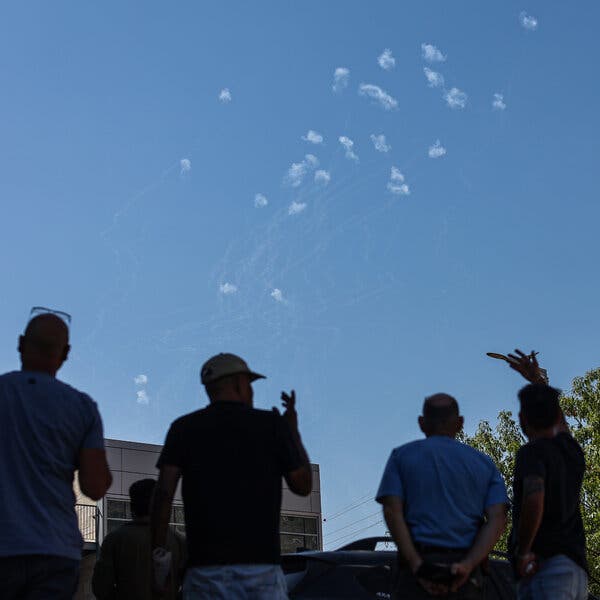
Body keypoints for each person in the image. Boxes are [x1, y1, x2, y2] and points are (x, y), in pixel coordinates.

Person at [150, 352, 312, 600]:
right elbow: (303, 485)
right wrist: (293, 432)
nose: (251, 391)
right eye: (249, 384)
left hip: (204, 571)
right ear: (238, 383)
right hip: (262, 570)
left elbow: (163, 494)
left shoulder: (184, 428)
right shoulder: (271, 425)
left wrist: (159, 559)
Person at [0, 309, 112, 599]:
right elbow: (95, 486)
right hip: (55, 548)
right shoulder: (82, 407)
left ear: (21, 344)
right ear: (65, 353)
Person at [377, 393, 508, 599]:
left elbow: (392, 510)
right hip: (466, 576)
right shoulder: (483, 464)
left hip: (416, 572)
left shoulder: (401, 457)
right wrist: (468, 564)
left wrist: (417, 565)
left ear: (421, 423)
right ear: (460, 423)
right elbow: (498, 518)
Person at [510, 381, 588, 599]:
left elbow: (535, 498)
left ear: (522, 419)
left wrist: (523, 551)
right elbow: (561, 425)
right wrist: (537, 380)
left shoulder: (532, 453)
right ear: (556, 416)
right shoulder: (572, 451)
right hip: (575, 569)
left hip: (546, 566)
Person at [92, 478, 185, 599]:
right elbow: (190, 585)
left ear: (132, 507)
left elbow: (101, 587)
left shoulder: (115, 539)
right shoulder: (177, 540)